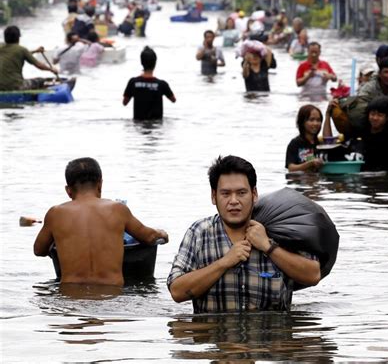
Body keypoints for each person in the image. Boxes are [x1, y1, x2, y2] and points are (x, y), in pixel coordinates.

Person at [167, 155, 320, 313]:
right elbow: (176, 291)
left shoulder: (277, 229)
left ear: (254, 194)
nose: (234, 201)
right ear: (214, 196)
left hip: (272, 335)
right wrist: (224, 262)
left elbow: (313, 275)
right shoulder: (199, 233)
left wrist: (268, 247)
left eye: (241, 193)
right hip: (214, 335)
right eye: (225, 194)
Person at [33, 157, 168, 286]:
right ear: (100, 185)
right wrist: (161, 233)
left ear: (68, 190)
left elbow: (39, 250)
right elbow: (149, 237)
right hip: (111, 298)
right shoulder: (117, 209)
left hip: (72, 298)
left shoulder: (55, 214)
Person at [123, 46, 176, 120]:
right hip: (157, 128)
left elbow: (124, 103)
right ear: (155, 63)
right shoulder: (162, 84)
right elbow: (173, 100)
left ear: (141, 62)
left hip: (138, 127)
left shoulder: (133, 82)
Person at [0, 25, 58, 91]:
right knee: (41, 80)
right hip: (16, 86)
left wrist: (35, 51)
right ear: (18, 38)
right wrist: (51, 69)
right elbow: (38, 65)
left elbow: (16, 54)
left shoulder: (1, 47)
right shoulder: (22, 50)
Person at [285, 104, 334, 172]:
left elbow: (328, 141)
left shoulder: (321, 143)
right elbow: (291, 168)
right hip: (301, 180)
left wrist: (328, 114)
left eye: (318, 120)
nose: (315, 123)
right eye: (311, 120)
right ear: (302, 122)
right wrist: (310, 164)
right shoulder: (295, 143)